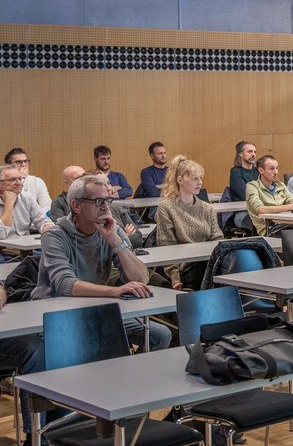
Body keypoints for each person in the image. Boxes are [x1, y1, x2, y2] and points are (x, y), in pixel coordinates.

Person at [0, 174, 171, 437]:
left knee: (160, 335)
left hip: (98, 311)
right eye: (99, 201)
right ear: (77, 206)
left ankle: (123, 404)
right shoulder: (55, 236)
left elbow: (141, 278)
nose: (106, 207)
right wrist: (114, 291)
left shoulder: (107, 230)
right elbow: (64, 285)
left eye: (108, 200)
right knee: (40, 353)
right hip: (56, 314)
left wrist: (115, 240)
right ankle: (38, 435)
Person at [155, 156, 223, 290]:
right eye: (195, 178)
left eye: (200, 178)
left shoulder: (206, 208)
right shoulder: (166, 207)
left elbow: (217, 240)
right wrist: (175, 278)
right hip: (185, 268)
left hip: (207, 262)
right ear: (180, 180)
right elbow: (167, 245)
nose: (200, 182)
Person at [246, 155, 293, 235]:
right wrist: (292, 207)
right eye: (272, 169)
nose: (276, 172)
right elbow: (261, 210)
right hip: (269, 229)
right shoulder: (252, 186)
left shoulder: (281, 185)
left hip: (287, 224)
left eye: (277, 168)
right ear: (261, 170)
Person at [0, 164, 54, 242]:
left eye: (20, 179)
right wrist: (9, 203)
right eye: (12, 180)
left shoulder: (27, 198)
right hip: (3, 251)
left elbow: (41, 220)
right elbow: (1, 234)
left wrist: (50, 229)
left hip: (26, 250)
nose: (19, 183)